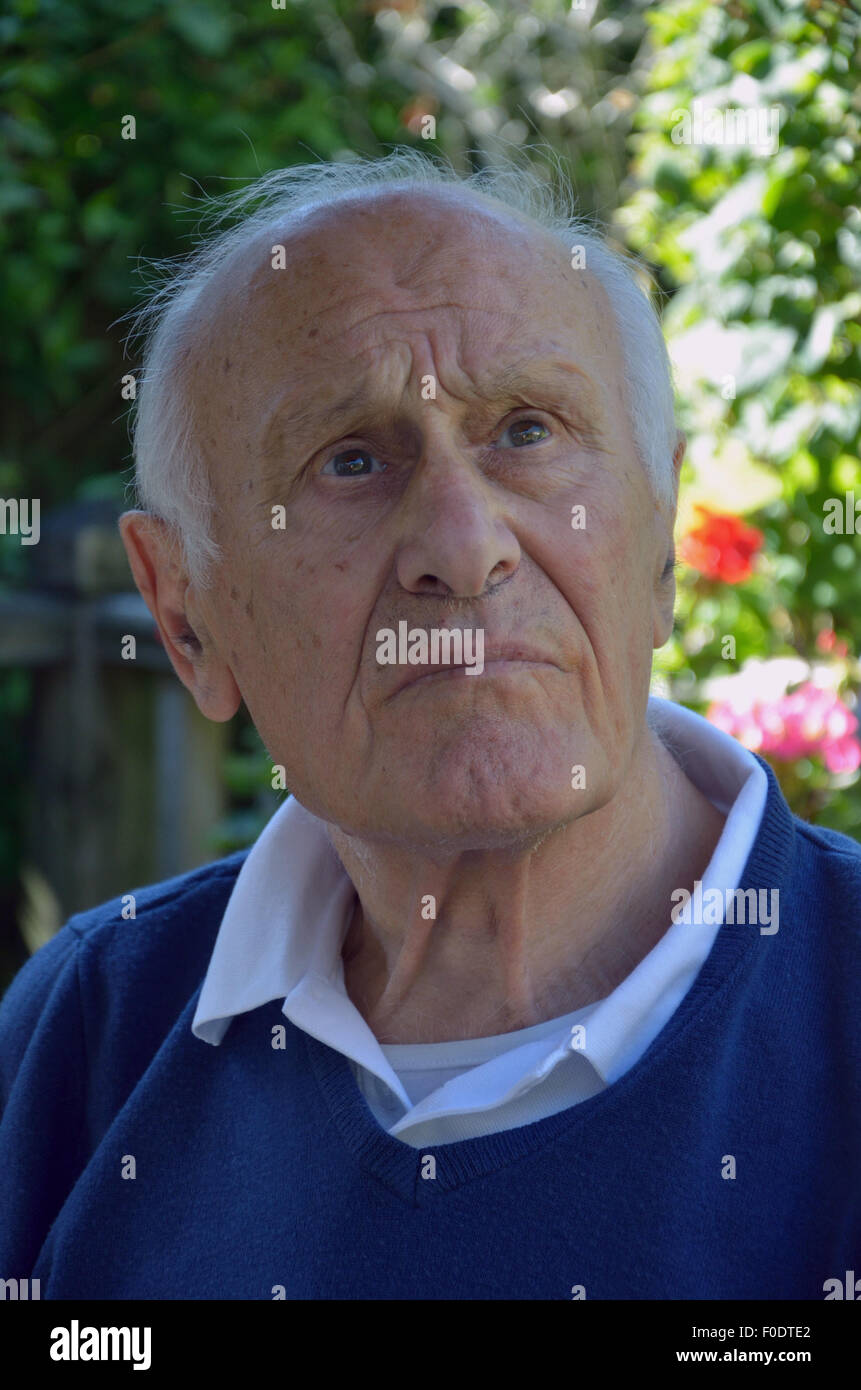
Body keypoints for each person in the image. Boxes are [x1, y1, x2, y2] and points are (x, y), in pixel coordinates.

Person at [1, 150, 858, 1300]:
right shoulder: (84, 1031)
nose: (465, 545)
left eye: (528, 432)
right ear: (188, 617)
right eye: (348, 460)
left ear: (658, 545)